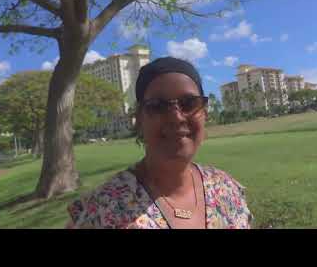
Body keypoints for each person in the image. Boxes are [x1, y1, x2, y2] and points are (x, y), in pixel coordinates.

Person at [66, 57, 253, 229]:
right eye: (157, 106)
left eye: (188, 103)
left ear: (204, 113)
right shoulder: (103, 208)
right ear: (139, 119)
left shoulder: (226, 188)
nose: (176, 117)